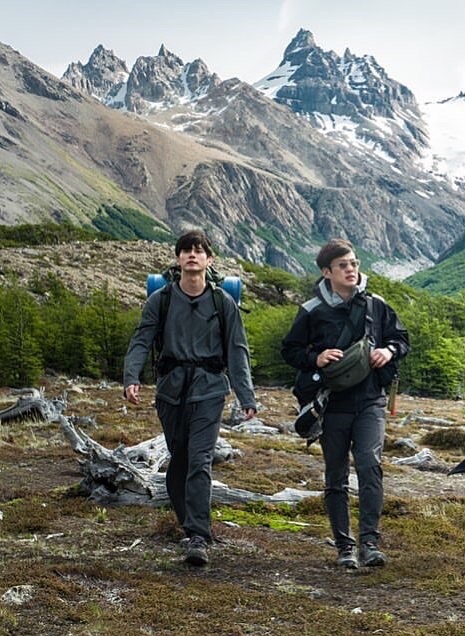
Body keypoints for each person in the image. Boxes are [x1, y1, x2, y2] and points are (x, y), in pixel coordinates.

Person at [123, 229, 257, 567]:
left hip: (210, 390)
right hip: (170, 391)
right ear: (178, 258)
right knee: (179, 460)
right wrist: (131, 376)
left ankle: (199, 535)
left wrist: (246, 395)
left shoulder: (222, 302)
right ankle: (187, 524)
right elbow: (142, 340)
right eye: (186, 250)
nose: (192, 255)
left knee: (200, 460)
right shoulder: (161, 300)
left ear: (209, 260)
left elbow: (237, 351)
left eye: (199, 251)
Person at [281, 238, 409, 569]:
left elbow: (401, 339)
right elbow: (290, 350)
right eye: (342, 265)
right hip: (332, 403)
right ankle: (344, 547)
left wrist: (388, 351)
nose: (351, 269)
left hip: (370, 400)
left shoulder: (377, 305)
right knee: (335, 474)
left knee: (369, 465)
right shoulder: (312, 310)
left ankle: (370, 542)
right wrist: (317, 357)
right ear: (327, 272)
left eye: (353, 263)